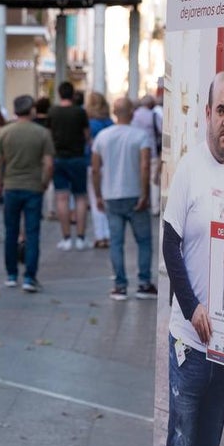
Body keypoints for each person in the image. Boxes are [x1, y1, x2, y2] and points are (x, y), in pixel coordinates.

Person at [162, 72, 224, 446]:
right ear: (206, 113)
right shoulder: (188, 169)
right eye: (220, 111)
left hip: (223, 351)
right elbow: (169, 244)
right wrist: (192, 306)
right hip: (188, 348)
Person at [91, 96, 156, 301]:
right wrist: (145, 194)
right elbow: (145, 166)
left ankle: (120, 286)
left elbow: (95, 169)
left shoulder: (102, 136)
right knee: (144, 241)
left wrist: (98, 195)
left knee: (116, 242)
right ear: (132, 113)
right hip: (135, 195)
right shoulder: (140, 136)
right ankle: (144, 283)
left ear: (114, 112)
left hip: (111, 196)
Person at [0, 94, 55, 293]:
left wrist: (0, 179)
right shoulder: (42, 133)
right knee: (32, 233)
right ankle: (30, 276)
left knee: (11, 232)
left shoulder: (4, 132)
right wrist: (44, 182)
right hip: (33, 187)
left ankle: (11, 274)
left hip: (11, 186)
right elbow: (49, 163)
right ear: (32, 110)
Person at [47, 82, 90, 250]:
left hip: (59, 158)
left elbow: (49, 135)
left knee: (61, 198)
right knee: (80, 197)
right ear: (73, 95)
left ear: (59, 93)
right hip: (78, 158)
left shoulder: (53, 112)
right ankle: (80, 237)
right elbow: (87, 135)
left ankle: (65, 238)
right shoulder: (80, 112)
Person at [85, 91, 114, 249]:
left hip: (93, 163)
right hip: (109, 164)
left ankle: (100, 235)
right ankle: (109, 234)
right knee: (107, 199)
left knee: (95, 198)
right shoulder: (110, 122)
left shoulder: (89, 124)